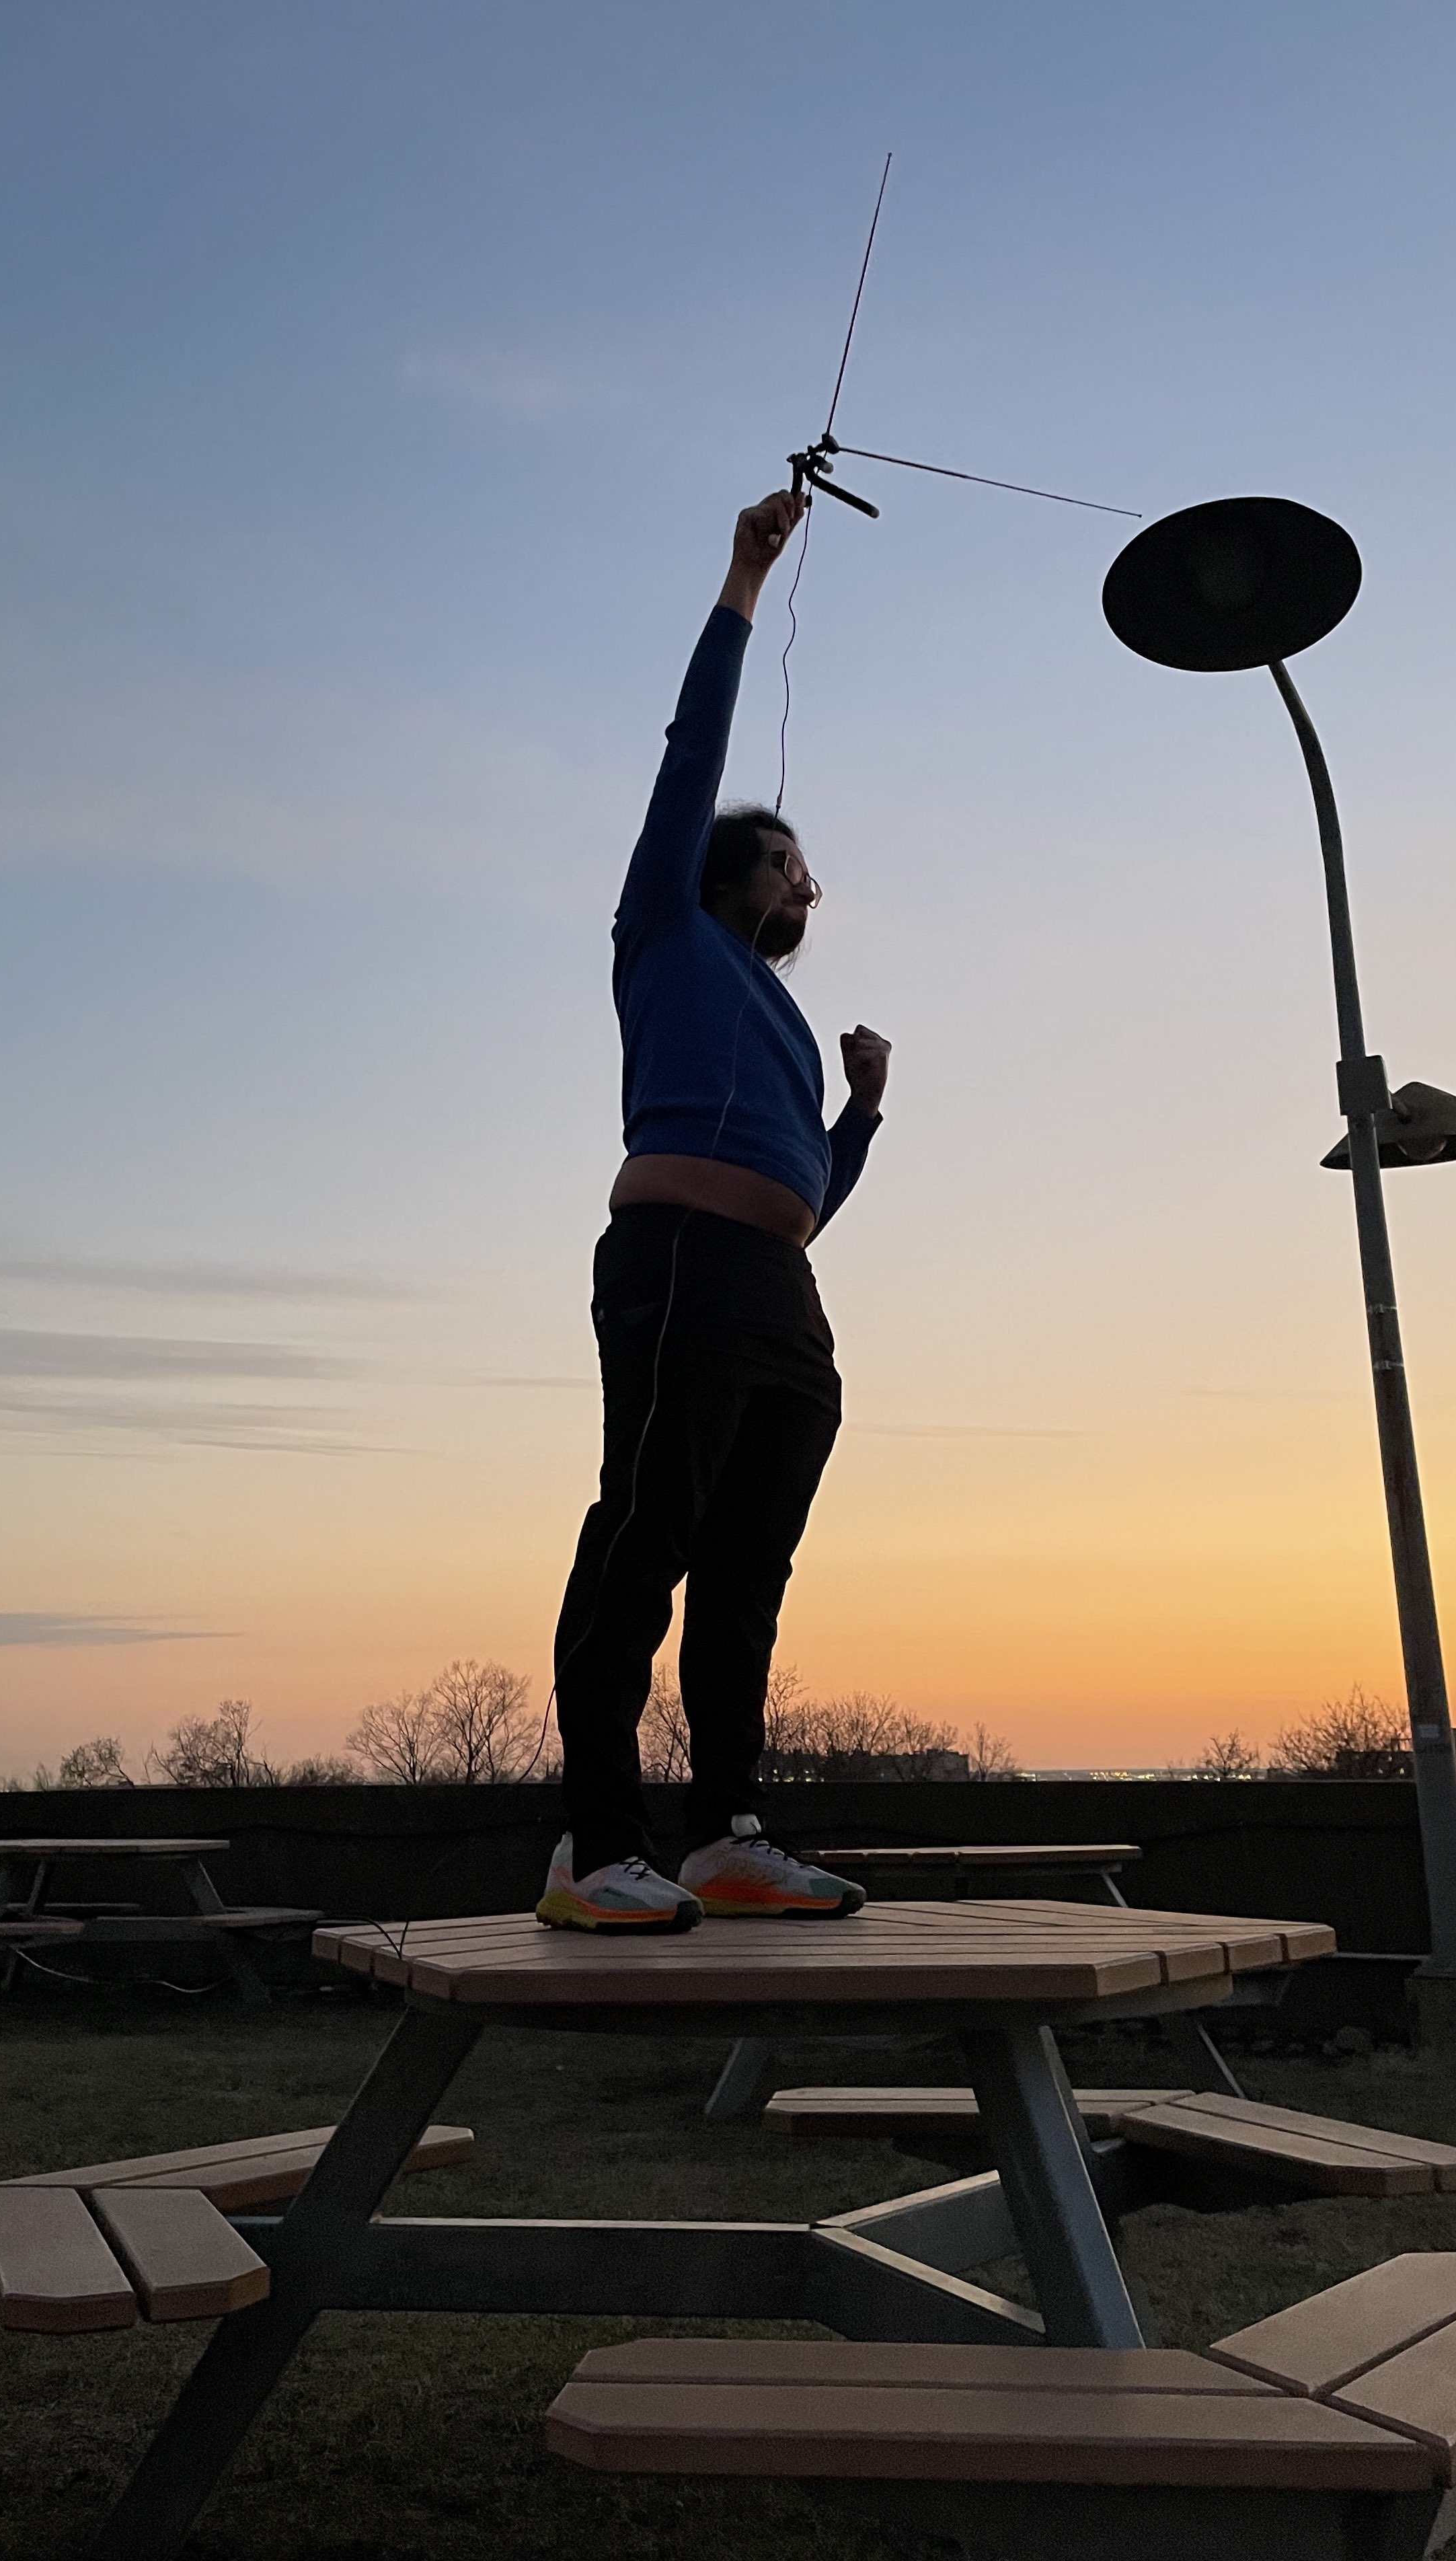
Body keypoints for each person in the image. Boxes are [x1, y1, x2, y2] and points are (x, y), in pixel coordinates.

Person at [538, 488, 890, 1931]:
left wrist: (859, 1115)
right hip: (676, 1260)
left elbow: (803, 1191)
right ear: (730, 869)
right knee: (649, 1533)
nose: (808, 871)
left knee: (752, 1563)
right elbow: (693, 756)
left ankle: (726, 1833)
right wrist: (743, 580)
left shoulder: (787, 1020)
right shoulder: (666, 932)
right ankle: (592, 1845)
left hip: (777, 1287)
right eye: (786, 851)